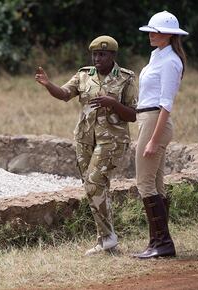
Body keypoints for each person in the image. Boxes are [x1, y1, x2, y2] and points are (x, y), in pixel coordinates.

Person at [35, 35, 137, 255]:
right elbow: (64, 94)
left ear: (112, 56)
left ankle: (108, 237)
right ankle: (106, 240)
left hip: (112, 141)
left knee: (93, 183)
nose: (97, 58)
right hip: (84, 139)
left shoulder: (126, 78)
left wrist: (113, 103)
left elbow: (133, 115)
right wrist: (48, 84)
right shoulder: (83, 75)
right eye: (94, 54)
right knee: (96, 189)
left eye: (102, 54)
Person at [134, 11, 189, 259]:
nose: (151, 35)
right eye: (150, 31)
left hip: (155, 121)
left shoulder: (170, 62)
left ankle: (163, 242)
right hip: (148, 119)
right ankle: (158, 243)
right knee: (155, 183)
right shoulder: (157, 55)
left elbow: (166, 104)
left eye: (155, 31)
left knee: (144, 182)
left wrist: (154, 140)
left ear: (168, 35)